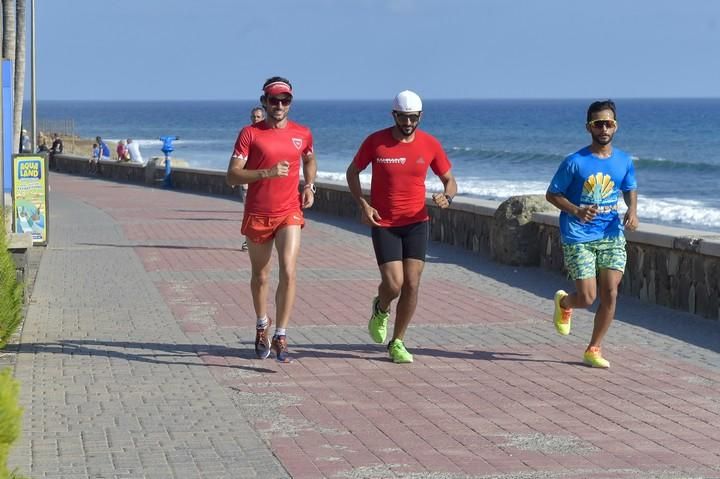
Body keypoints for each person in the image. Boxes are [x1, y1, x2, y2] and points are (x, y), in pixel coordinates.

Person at [346, 90, 457, 364]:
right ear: (394, 115)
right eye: (403, 118)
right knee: (394, 285)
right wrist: (363, 205)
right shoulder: (376, 142)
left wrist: (448, 196)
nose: (408, 123)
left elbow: (449, 179)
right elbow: (352, 172)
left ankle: (398, 341)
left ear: (420, 117)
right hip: (384, 222)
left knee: (413, 283)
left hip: (417, 222)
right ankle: (380, 307)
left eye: (413, 118)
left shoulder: (430, 144)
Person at [225, 76, 317, 363]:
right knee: (261, 276)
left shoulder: (302, 133)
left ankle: (281, 333)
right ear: (264, 102)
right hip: (258, 212)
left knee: (289, 270)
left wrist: (310, 185)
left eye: (285, 100)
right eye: (274, 100)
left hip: (289, 211)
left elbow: (309, 159)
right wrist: (266, 172)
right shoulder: (250, 133)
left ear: (290, 103)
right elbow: (231, 175)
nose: (279, 105)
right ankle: (262, 324)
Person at [546, 99, 639, 369]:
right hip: (578, 235)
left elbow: (629, 187)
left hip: (611, 234)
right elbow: (552, 194)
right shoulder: (574, 162)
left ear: (616, 126)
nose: (604, 128)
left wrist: (632, 211)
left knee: (610, 293)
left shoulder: (623, 160)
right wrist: (576, 211)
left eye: (608, 123)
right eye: (598, 124)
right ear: (589, 128)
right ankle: (565, 302)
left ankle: (593, 349)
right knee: (587, 298)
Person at [240, 107, 267, 252]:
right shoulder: (248, 133)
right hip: (249, 180)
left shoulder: (269, 134)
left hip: (267, 182)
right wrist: (239, 179)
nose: (255, 119)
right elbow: (240, 160)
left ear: (263, 117)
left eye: (258, 117)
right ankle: (248, 240)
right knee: (249, 211)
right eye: (253, 117)